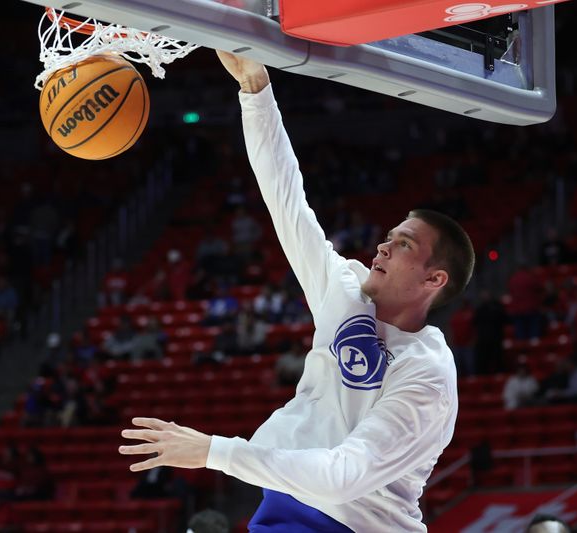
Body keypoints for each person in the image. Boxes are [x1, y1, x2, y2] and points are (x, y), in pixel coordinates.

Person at [119, 51, 475, 532]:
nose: (383, 246)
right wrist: (256, 91)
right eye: (390, 236)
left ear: (435, 280)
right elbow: (288, 202)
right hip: (285, 508)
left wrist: (214, 452)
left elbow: (344, 475)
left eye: (404, 244)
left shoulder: (427, 375)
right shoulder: (346, 291)